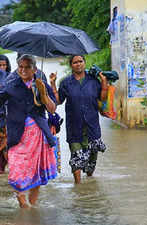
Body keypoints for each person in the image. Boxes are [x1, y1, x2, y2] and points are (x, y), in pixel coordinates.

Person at [0, 54, 57, 208]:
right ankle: (23, 204)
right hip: (17, 135)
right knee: (17, 171)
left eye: (27, 67)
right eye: (21, 67)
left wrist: (44, 93)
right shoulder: (10, 85)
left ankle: (31, 209)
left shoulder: (42, 85)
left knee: (37, 172)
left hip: (38, 135)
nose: (23, 70)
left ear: (35, 69)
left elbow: (52, 110)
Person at [49, 55, 108, 184]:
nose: (78, 64)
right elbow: (58, 101)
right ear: (71, 65)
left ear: (84, 63)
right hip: (74, 126)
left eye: (80, 61)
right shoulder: (66, 83)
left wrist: (104, 82)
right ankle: (78, 186)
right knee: (76, 158)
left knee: (91, 163)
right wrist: (53, 83)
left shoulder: (94, 81)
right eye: (75, 62)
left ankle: (89, 183)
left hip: (92, 126)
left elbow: (102, 99)